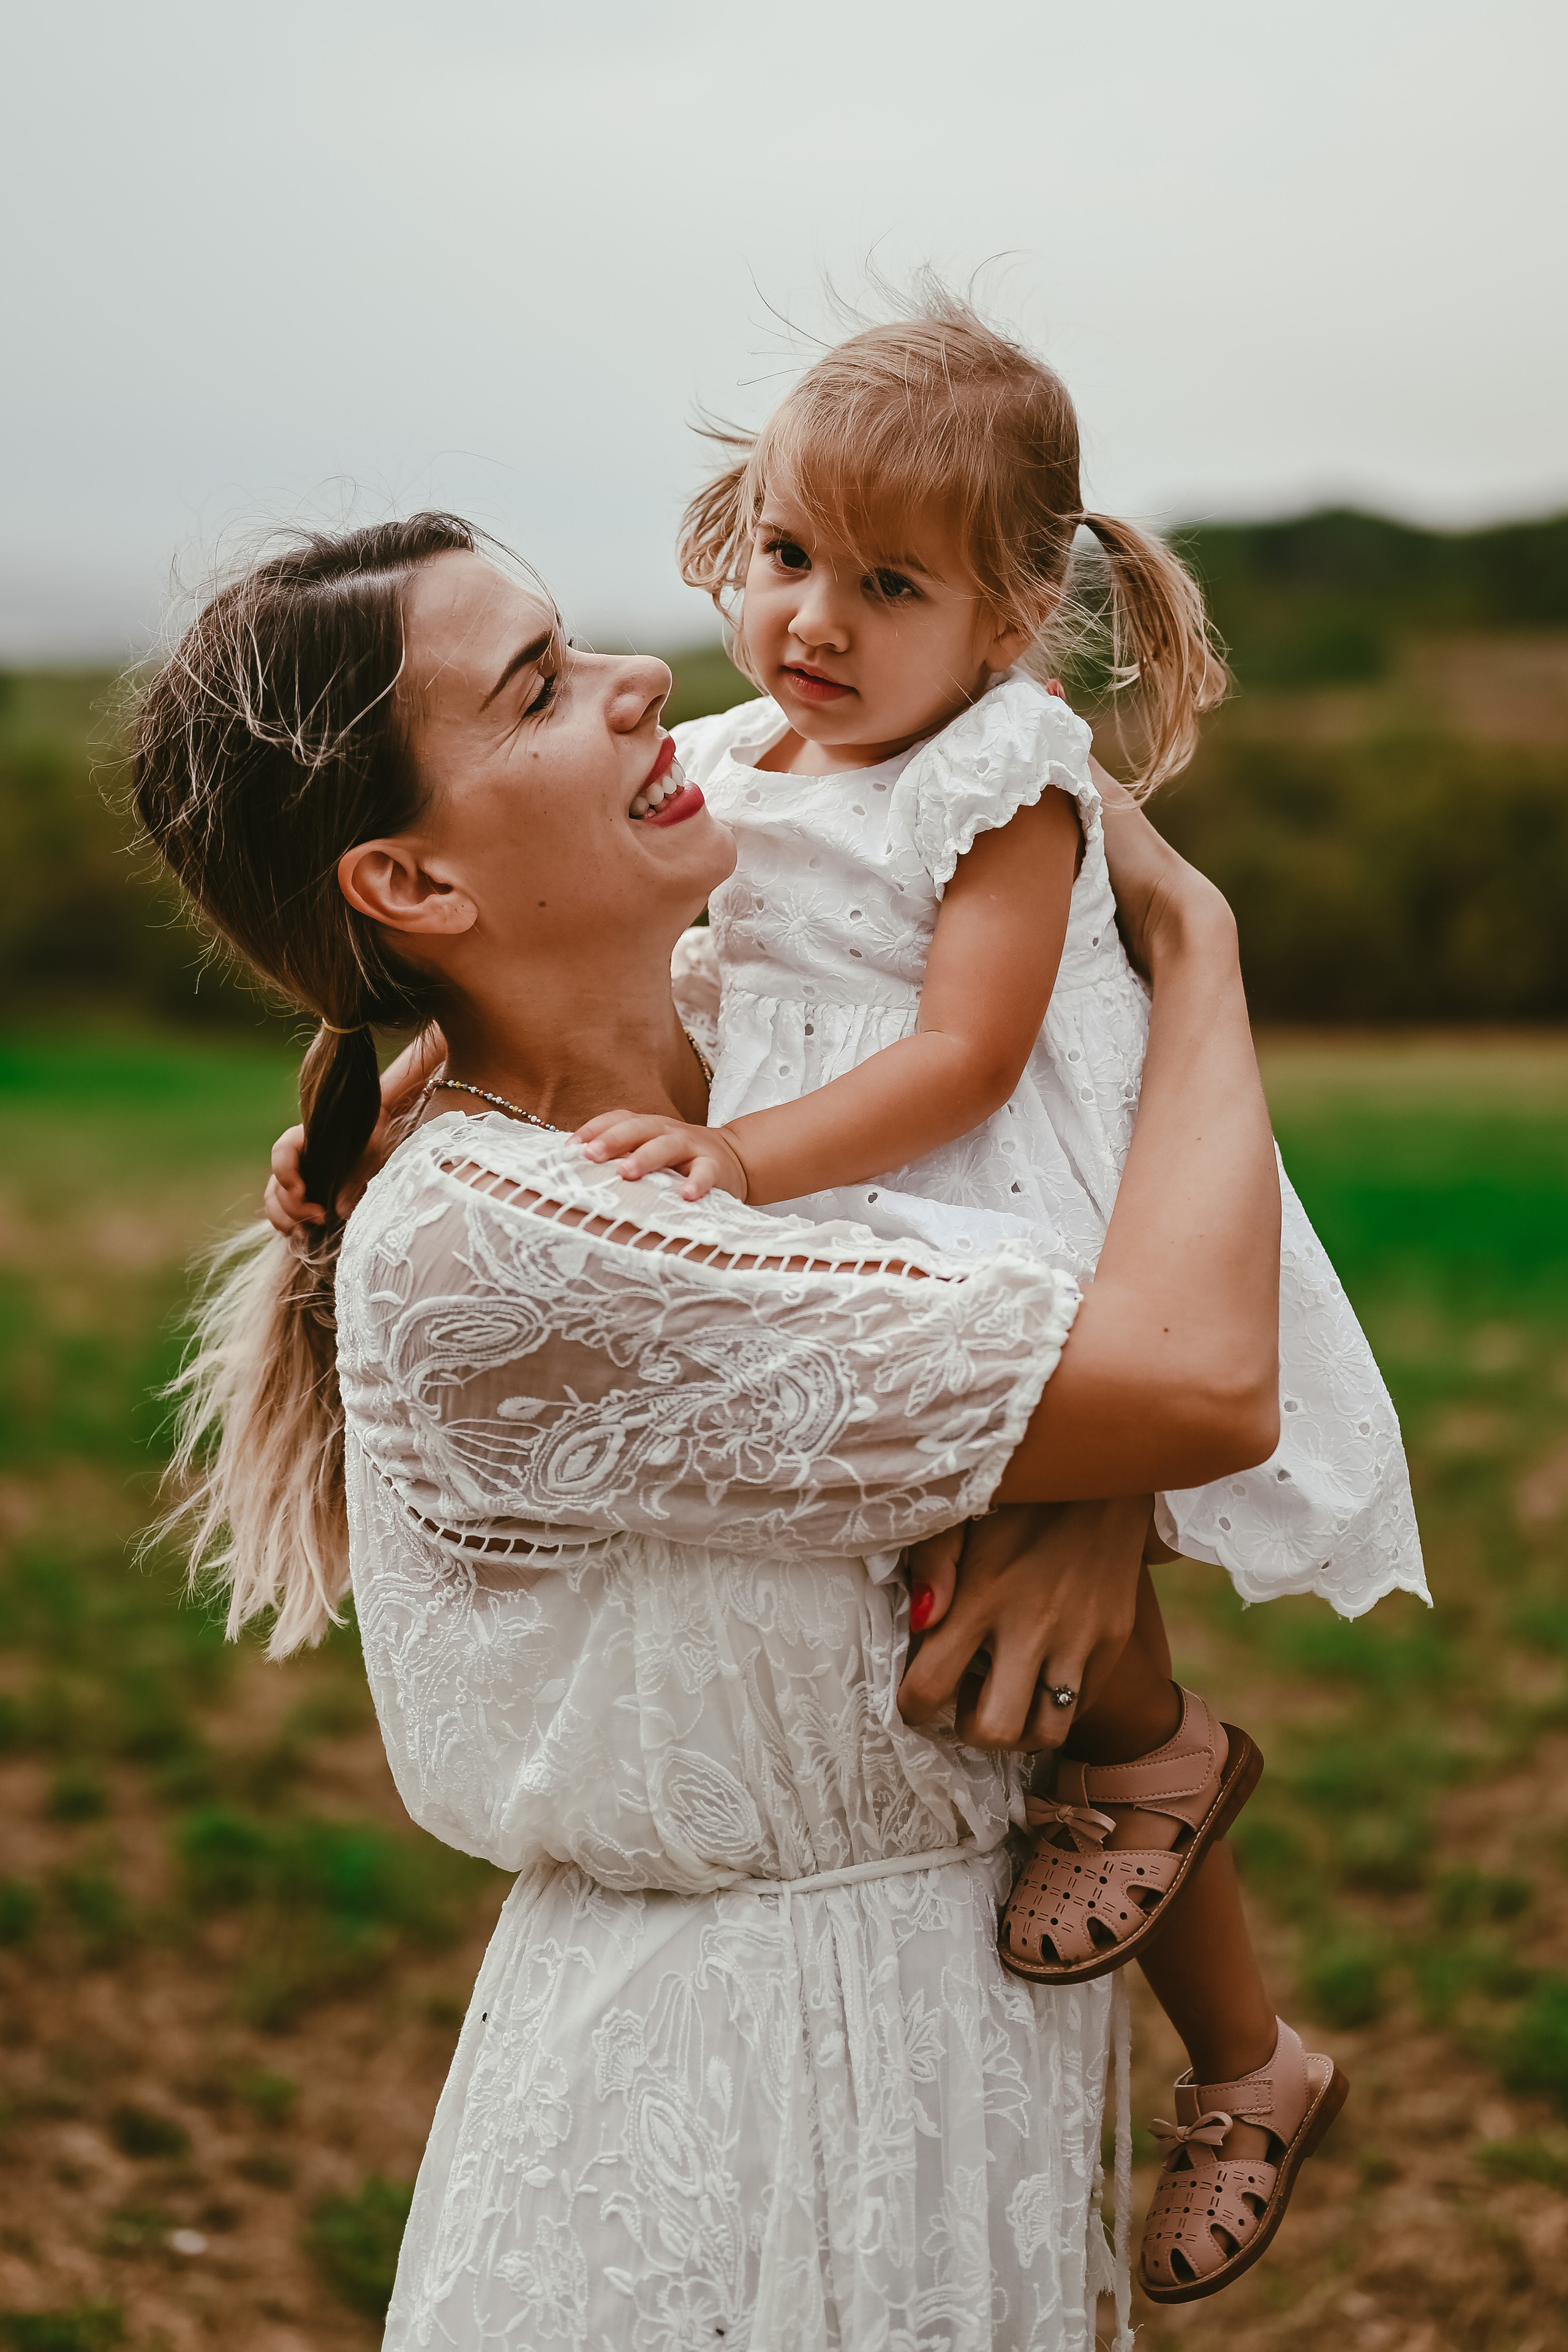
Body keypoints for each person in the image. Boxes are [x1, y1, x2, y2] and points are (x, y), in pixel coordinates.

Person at [140, 510, 1328, 2351]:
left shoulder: (772, 1067)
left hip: (943, 2044)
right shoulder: (495, 1245)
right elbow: (1193, 1381)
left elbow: (1097, 1370)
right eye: (539, 688)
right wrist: (1199, 940)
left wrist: (1089, 1481)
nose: (643, 686)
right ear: (412, 886)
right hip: (733, 2112)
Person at [502, 297, 1425, 2300]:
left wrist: (744, 1164)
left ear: (1009, 621)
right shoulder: (751, 751)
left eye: (888, 583)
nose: (811, 619)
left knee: (1081, 1640)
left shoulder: (1007, 775)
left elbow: (968, 1062)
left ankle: (1245, 2041)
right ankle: (1233, 2006)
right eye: (786, 556)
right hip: (857, 1207)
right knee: (983, 1625)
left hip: (1001, 1199)